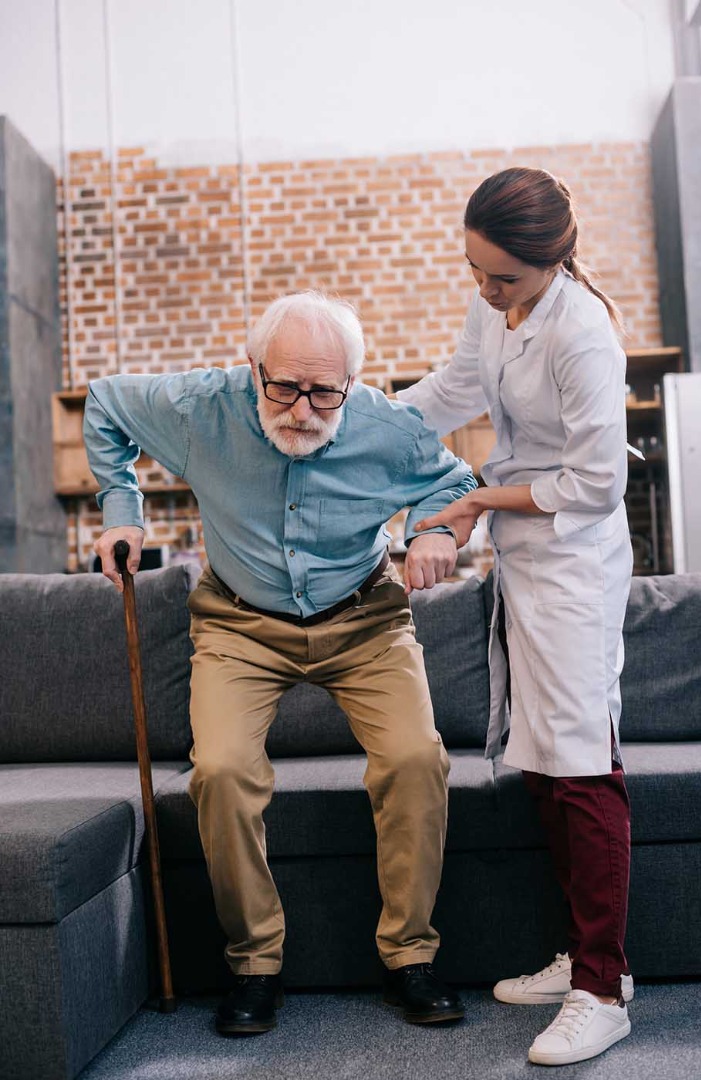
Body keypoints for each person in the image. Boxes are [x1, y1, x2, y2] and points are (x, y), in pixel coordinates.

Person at [84, 291, 474, 1035]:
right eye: (284, 386)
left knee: (415, 759)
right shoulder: (200, 408)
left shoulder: (388, 430)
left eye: (324, 392)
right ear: (253, 365)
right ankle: (254, 964)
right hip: (240, 624)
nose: (301, 410)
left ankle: (410, 956)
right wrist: (120, 510)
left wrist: (435, 533)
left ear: (353, 382)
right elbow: (104, 402)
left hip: (364, 618)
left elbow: (455, 484)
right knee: (221, 771)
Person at [397, 167, 635, 1067]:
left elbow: (596, 483)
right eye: (474, 269)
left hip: (575, 561)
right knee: (541, 758)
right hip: (525, 557)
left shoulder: (583, 335)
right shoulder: (494, 308)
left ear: (552, 260)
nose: (485, 289)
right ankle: (585, 957)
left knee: (581, 764)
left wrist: (472, 501)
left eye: (503, 277)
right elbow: (451, 389)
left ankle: (602, 991)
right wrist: (355, 419)